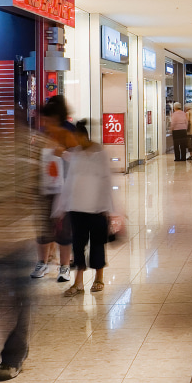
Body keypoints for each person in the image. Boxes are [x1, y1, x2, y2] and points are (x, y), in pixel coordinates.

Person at [0, 104, 57, 382]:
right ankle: (12, 354)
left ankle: (13, 356)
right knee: (10, 298)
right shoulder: (0, 153)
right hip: (0, 238)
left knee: (18, 299)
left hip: (19, 238)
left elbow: (44, 193)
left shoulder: (35, 149)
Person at [54, 120, 118, 297]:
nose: (72, 141)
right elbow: (69, 182)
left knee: (97, 244)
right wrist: (60, 209)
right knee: (78, 245)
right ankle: (78, 282)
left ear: (82, 136)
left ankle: (99, 278)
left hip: (97, 208)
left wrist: (111, 209)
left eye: (74, 137)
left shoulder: (100, 153)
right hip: (77, 208)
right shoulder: (75, 154)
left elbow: (106, 181)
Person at [30, 97, 75, 280]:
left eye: (49, 118)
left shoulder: (70, 133)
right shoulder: (42, 133)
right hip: (43, 187)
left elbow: (81, 160)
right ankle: (43, 262)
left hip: (64, 189)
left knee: (64, 229)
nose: (45, 122)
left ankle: (64, 266)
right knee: (42, 228)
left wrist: (62, 153)